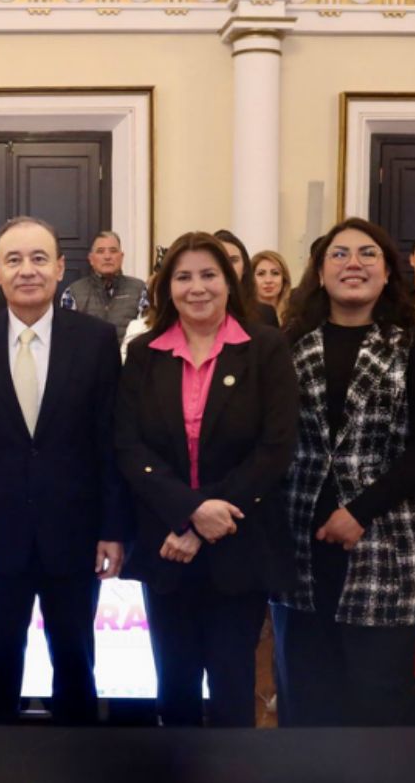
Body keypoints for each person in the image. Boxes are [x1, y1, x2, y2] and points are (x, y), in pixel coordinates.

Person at [0, 216, 127, 725]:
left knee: (77, 667)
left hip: (75, 536)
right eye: (14, 260)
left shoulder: (96, 341)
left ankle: (76, 761)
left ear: (60, 268)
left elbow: (110, 442)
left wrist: (113, 528)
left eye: (39, 258)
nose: (27, 270)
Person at [271, 218, 415, 727]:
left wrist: (359, 511)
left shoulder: (414, 345)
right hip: (300, 542)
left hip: (386, 540)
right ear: (319, 272)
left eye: (368, 253)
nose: (353, 263)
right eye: (339, 254)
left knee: (376, 698)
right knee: (305, 692)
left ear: (388, 271)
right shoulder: (289, 343)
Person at [116, 232, 299, 727]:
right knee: (173, 686)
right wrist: (188, 513)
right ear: (166, 287)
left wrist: (203, 520)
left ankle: (231, 767)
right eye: (183, 277)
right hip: (165, 543)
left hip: (239, 541)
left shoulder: (264, 348)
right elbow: (129, 447)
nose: (197, 288)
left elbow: (276, 447)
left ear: (230, 281)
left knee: (232, 685)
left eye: (208, 275)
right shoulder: (144, 352)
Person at [60, 231, 149, 341]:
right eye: (100, 251)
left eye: (113, 251)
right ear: (91, 259)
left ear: (121, 257)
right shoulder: (73, 292)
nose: (107, 257)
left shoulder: (140, 290)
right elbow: (66, 336)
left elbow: (147, 331)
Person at [212, 231, 280, 328]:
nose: (228, 267)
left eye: (233, 260)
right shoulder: (197, 311)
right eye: (220, 260)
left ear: (244, 267)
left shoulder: (265, 314)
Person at [253, 250, 293, 325]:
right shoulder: (244, 315)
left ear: (284, 279)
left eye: (275, 273)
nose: (268, 280)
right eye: (261, 274)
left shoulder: (295, 314)